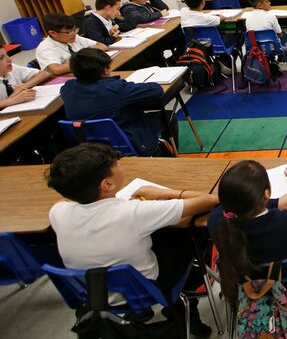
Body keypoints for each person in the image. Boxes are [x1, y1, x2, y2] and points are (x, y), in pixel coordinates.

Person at [47, 142, 218, 336]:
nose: (121, 166)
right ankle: (188, 306)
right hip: (148, 289)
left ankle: (145, 312)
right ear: (107, 184)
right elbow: (210, 200)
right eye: (117, 165)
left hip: (95, 294)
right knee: (192, 233)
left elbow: (72, 207)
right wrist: (165, 194)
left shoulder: (58, 212)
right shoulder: (133, 212)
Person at [209, 160, 287, 308]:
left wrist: (274, 203)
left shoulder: (217, 222)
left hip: (246, 289)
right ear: (266, 194)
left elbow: (220, 209)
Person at [60, 48, 177, 156]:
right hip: (126, 140)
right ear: (105, 70)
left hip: (88, 143)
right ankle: (167, 157)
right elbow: (156, 90)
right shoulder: (116, 89)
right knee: (168, 116)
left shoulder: (67, 88)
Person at [35, 13, 108, 75]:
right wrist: (86, 61)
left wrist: (86, 56)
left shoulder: (74, 37)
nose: (74, 33)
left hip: (83, 73)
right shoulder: (45, 48)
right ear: (52, 33)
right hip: (64, 79)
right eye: (68, 32)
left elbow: (102, 46)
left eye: (74, 30)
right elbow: (56, 69)